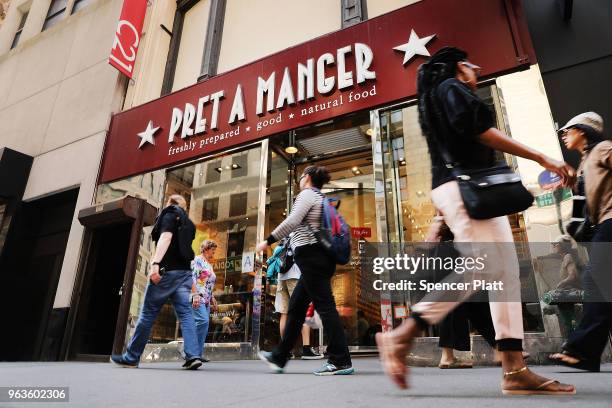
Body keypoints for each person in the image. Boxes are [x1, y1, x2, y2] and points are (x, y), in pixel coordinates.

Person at [375, 47, 576, 395]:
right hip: (465, 189)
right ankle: (400, 336)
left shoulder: (441, 95)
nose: (477, 67)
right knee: (483, 267)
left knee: (505, 271)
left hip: (471, 191)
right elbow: (479, 130)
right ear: (456, 66)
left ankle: (515, 369)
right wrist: (541, 155)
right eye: (470, 63)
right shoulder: (449, 88)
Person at [256, 165, 354, 375]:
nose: (299, 180)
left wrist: (268, 240)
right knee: (296, 308)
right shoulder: (320, 198)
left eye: (301, 177)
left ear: (307, 178)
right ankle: (280, 356)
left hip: (312, 258)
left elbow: (293, 220)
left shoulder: (307, 194)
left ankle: (341, 360)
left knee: (325, 307)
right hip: (317, 259)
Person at [550, 112, 612, 372]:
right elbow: (581, 212)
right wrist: (571, 187)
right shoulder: (585, 161)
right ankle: (584, 353)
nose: (564, 135)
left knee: (595, 282)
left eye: (568, 130)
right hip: (602, 226)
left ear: (583, 131)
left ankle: (582, 351)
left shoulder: (604, 148)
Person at [111, 195, 202, 370]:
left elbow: (166, 238)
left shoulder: (169, 215)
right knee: (186, 315)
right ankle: (193, 355)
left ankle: (131, 357)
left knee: (148, 313)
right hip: (184, 275)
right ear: (184, 206)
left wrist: (155, 264)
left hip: (166, 273)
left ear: (169, 204)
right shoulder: (189, 224)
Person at [276, 260, 324, 359]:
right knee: (303, 310)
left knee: (284, 313)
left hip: (281, 277)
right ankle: (306, 349)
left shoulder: (280, 244)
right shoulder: (298, 243)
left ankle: (285, 351)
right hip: (295, 276)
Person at [191, 240, 219, 362]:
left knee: (204, 325)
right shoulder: (197, 260)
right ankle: (189, 350)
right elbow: (192, 278)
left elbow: (208, 283)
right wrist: (195, 295)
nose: (214, 252)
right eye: (213, 249)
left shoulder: (209, 264)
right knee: (202, 321)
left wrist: (212, 298)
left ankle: (197, 353)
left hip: (206, 299)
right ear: (207, 249)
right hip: (198, 296)